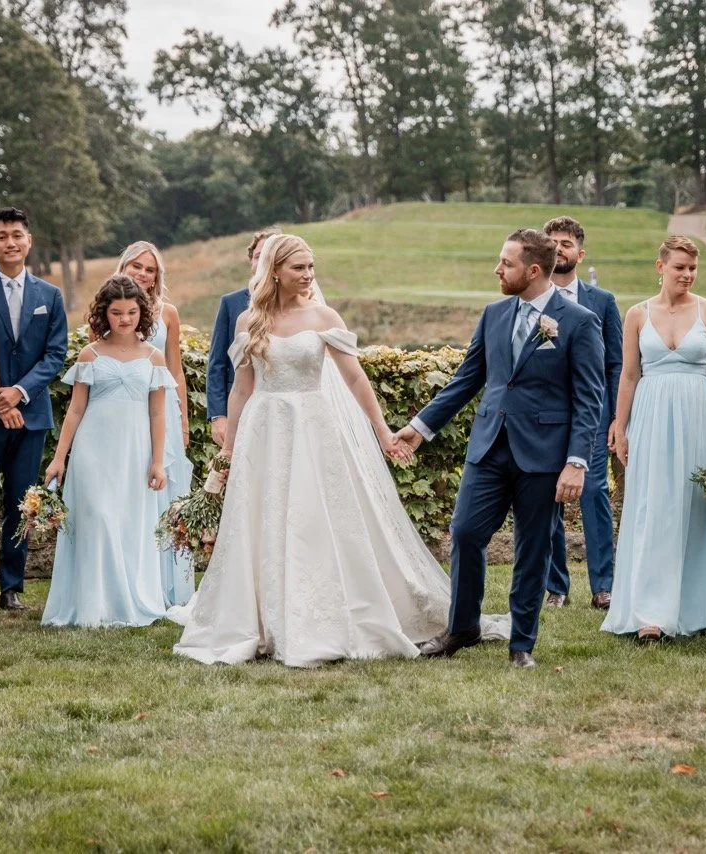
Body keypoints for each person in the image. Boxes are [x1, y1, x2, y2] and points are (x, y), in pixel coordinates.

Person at [175, 234, 508, 667]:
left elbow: (354, 379)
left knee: (312, 517)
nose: (308, 275)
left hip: (312, 426)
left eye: (311, 267)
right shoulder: (248, 321)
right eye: (299, 268)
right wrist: (231, 446)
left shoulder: (323, 315)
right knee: (263, 518)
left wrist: (384, 431)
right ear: (274, 270)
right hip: (264, 427)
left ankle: (320, 617)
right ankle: (260, 620)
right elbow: (242, 387)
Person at [396, 229, 605, 669]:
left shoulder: (580, 322)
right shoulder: (493, 314)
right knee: (467, 532)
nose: (497, 269)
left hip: (545, 454)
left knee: (533, 548)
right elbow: (467, 380)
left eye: (505, 264)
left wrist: (576, 462)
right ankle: (463, 627)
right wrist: (419, 427)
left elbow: (590, 399)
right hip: (489, 447)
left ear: (531, 270)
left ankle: (521, 644)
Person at [602, 236, 706, 641]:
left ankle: (691, 609)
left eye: (692, 268)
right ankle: (648, 613)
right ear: (660, 267)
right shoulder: (637, 314)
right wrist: (620, 426)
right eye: (679, 267)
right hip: (651, 415)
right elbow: (629, 375)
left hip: (697, 417)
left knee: (693, 507)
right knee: (652, 507)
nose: (687, 275)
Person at [41, 276, 179, 628]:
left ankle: (124, 602)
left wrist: (158, 461)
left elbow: (158, 412)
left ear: (141, 313)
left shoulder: (154, 357)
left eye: (131, 312)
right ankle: (91, 604)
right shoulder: (91, 353)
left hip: (134, 450)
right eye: (116, 312)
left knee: (128, 523)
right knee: (98, 518)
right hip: (93, 448)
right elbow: (74, 410)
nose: (124, 319)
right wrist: (60, 458)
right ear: (104, 314)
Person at [0, 208, 68, 611]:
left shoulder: (50, 296)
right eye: (1, 236)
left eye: (16, 235)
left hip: (32, 416)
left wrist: (19, 393)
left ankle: (11, 586)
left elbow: (55, 353)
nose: (10, 242)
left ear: (29, 240)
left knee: (19, 503)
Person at [541, 216, 622, 610]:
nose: (559, 248)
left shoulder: (602, 302)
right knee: (548, 496)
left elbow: (615, 364)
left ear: (580, 252)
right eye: (552, 241)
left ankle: (603, 585)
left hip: (593, 415)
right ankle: (557, 586)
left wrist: (616, 417)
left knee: (593, 493)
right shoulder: (532, 300)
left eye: (566, 243)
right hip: (547, 415)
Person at [117, 241, 195, 606]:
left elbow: (175, 367)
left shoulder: (168, 314)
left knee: (168, 493)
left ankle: (168, 586)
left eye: (149, 269)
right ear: (124, 266)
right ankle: (132, 581)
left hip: (165, 409)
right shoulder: (112, 309)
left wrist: (182, 418)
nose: (142, 274)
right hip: (127, 411)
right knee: (131, 489)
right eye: (136, 266)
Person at [207, 228, 280, 447]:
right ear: (251, 261)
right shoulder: (231, 303)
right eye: (258, 257)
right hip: (239, 407)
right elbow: (217, 363)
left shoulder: (296, 306)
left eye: (269, 257)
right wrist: (219, 416)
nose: (262, 263)